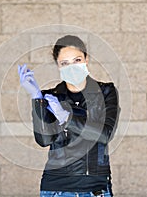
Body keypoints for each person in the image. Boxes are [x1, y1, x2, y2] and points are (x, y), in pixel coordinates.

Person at [18, 35, 120, 197]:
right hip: (56, 188)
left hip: (95, 188)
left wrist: (67, 118)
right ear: (58, 66)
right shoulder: (50, 97)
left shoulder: (106, 92)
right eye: (64, 63)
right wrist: (37, 99)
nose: (71, 67)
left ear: (86, 59)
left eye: (77, 60)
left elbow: (104, 134)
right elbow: (44, 140)